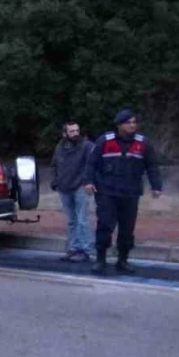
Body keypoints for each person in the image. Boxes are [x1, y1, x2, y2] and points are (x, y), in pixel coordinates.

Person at [82, 109, 164, 275]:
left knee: (127, 229)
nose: (132, 125)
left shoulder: (143, 143)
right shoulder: (105, 141)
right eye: (128, 123)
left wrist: (156, 186)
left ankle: (123, 260)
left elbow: (152, 166)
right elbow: (91, 163)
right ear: (119, 125)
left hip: (130, 192)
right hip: (107, 191)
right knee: (105, 225)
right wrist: (88, 181)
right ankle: (100, 259)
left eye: (134, 122)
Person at [51, 120, 94, 262]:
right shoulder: (60, 147)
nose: (75, 133)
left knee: (82, 219)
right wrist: (55, 181)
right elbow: (54, 165)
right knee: (71, 220)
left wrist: (88, 181)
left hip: (80, 186)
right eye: (72, 131)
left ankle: (85, 249)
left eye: (77, 130)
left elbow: (92, 165)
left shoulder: (86, 146)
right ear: (65, 133)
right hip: (64, 187)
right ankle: (73, 247)